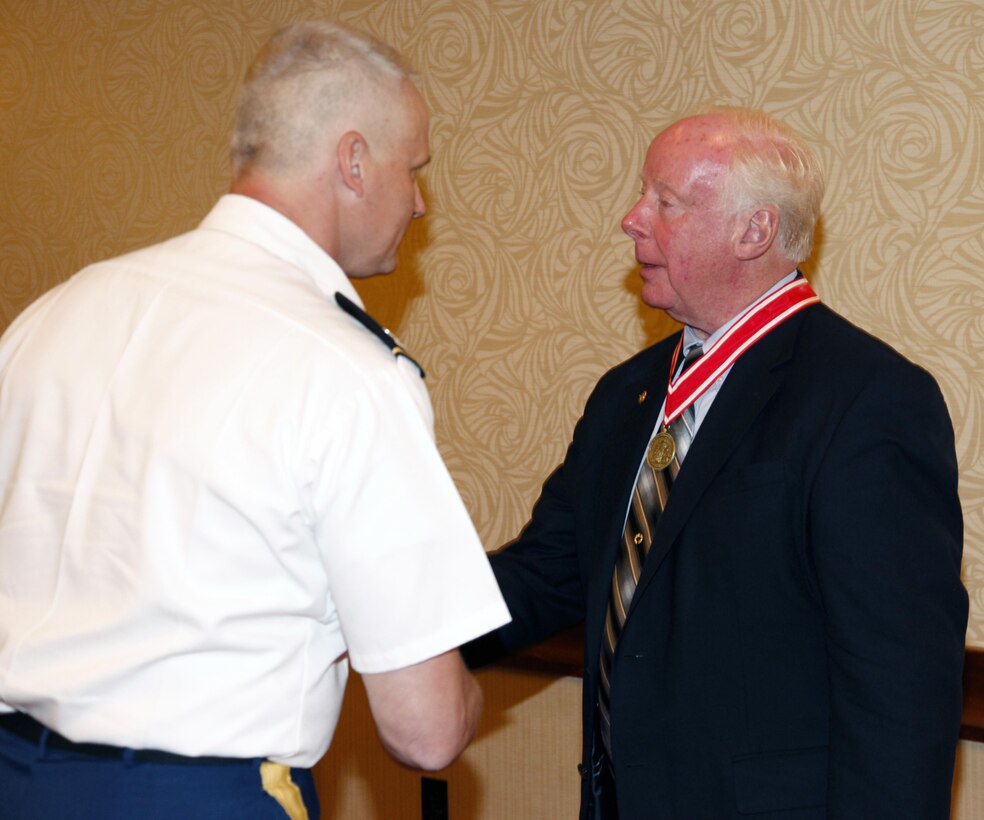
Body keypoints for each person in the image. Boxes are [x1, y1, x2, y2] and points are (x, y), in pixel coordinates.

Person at [0, 20, 509, 820]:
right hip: (194, 797)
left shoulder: (54, 316)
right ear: (352, 161)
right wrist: (470, 699)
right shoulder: (348, 372)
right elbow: (427, 731)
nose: (418, 203)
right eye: (413, 170)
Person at [465, 108, 966, 819]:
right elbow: (545, 572)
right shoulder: (627, 395)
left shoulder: (866, 400)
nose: (631, 219)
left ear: (754, 231)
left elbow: (900, 691)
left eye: (665, 202)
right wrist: (380, 614)